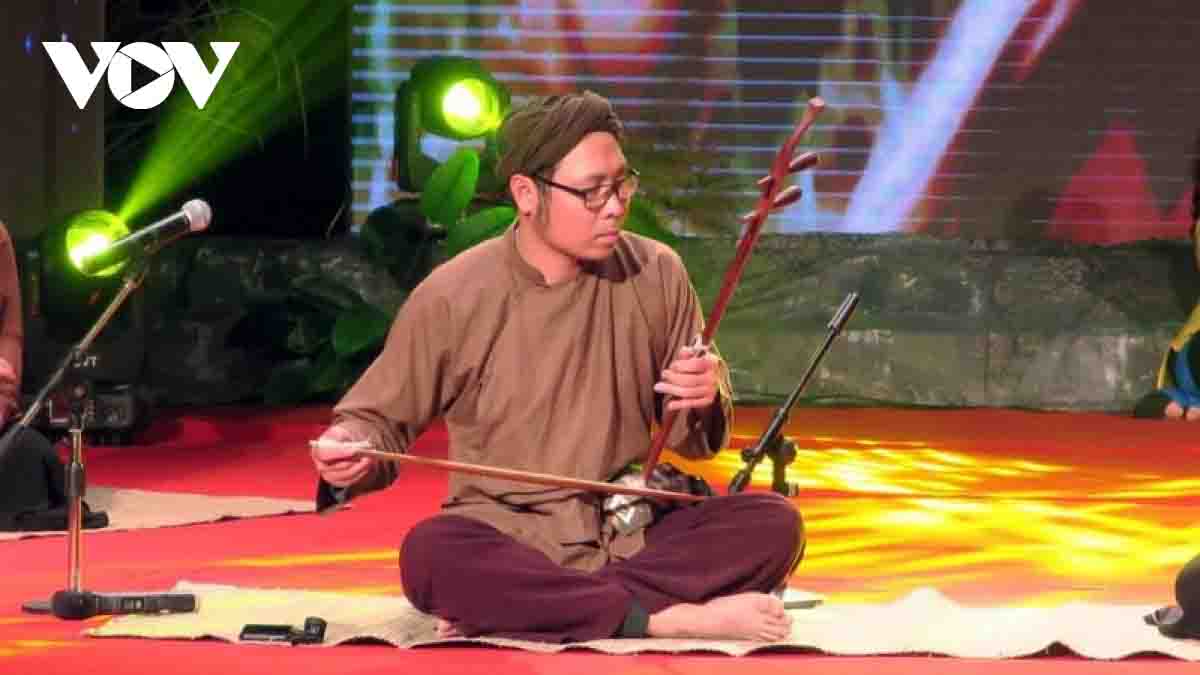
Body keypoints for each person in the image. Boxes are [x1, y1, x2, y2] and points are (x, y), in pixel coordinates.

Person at [311, 91, 804, 643]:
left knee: (774, 525)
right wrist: (348, 448)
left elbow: (694, 443)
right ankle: (659, 618)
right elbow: (377, 420)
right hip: (508, 537)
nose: (614, 206)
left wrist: (703, 397)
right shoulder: (453, 294)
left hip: (626, 528)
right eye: (592, 192)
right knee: (430, 557)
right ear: (527, 193)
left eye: (622, 184)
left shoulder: (655, 272)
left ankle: (539, 607)